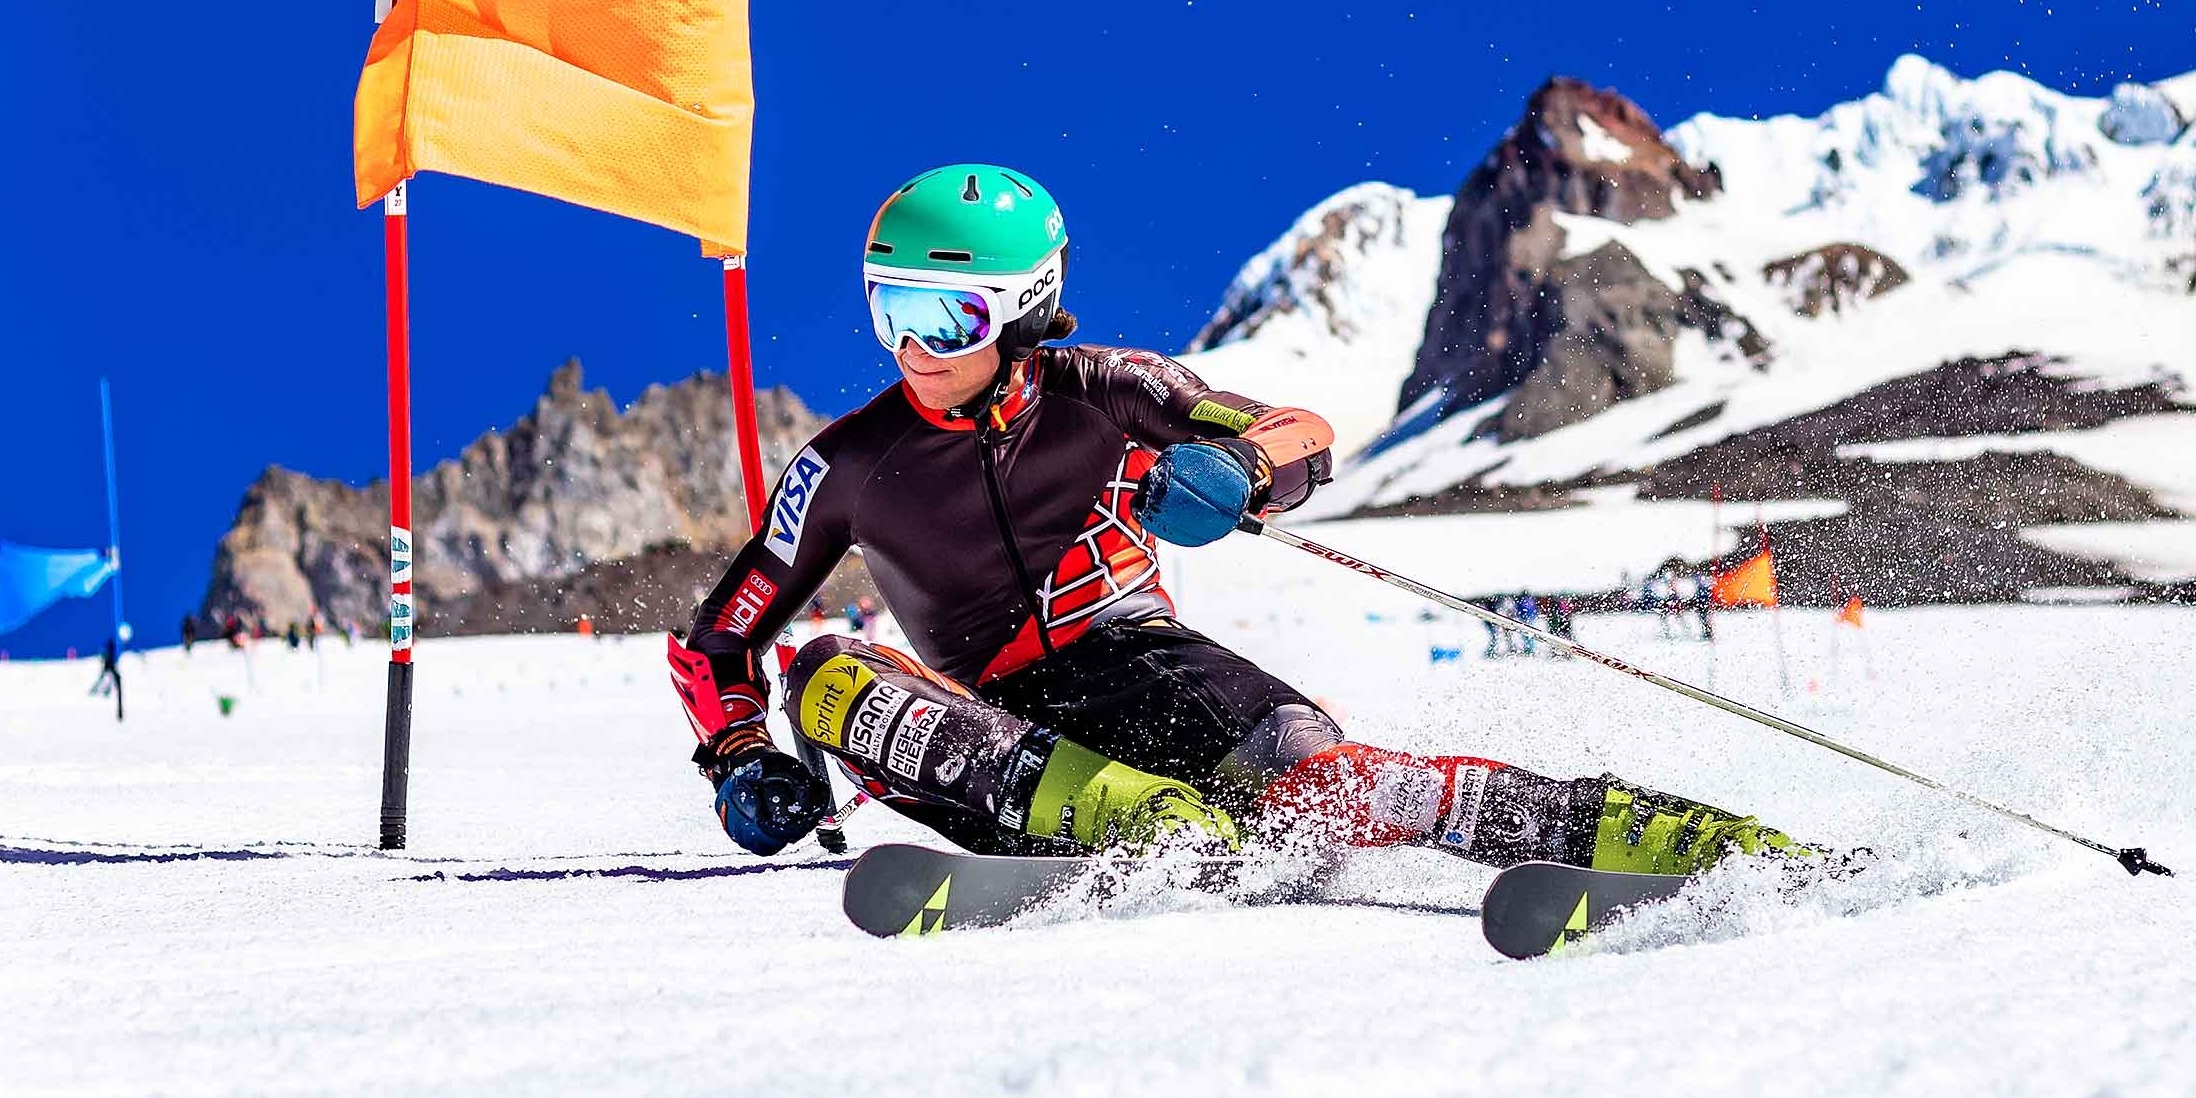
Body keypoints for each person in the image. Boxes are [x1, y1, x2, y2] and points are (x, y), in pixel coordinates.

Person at [666, 164, 1813, 877]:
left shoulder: (1106, 386)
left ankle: (1699, 847)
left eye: (945, 314)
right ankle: (1149, 828)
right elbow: (717, 640)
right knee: (830, 671)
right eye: (890, 311)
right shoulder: (848, 465)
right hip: (989, 736)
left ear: (1018, 310)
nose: (915, 348)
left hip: (1149, 669)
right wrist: (740, 756)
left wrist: (1231, 469)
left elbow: (1297, 429)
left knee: (1354, 785)